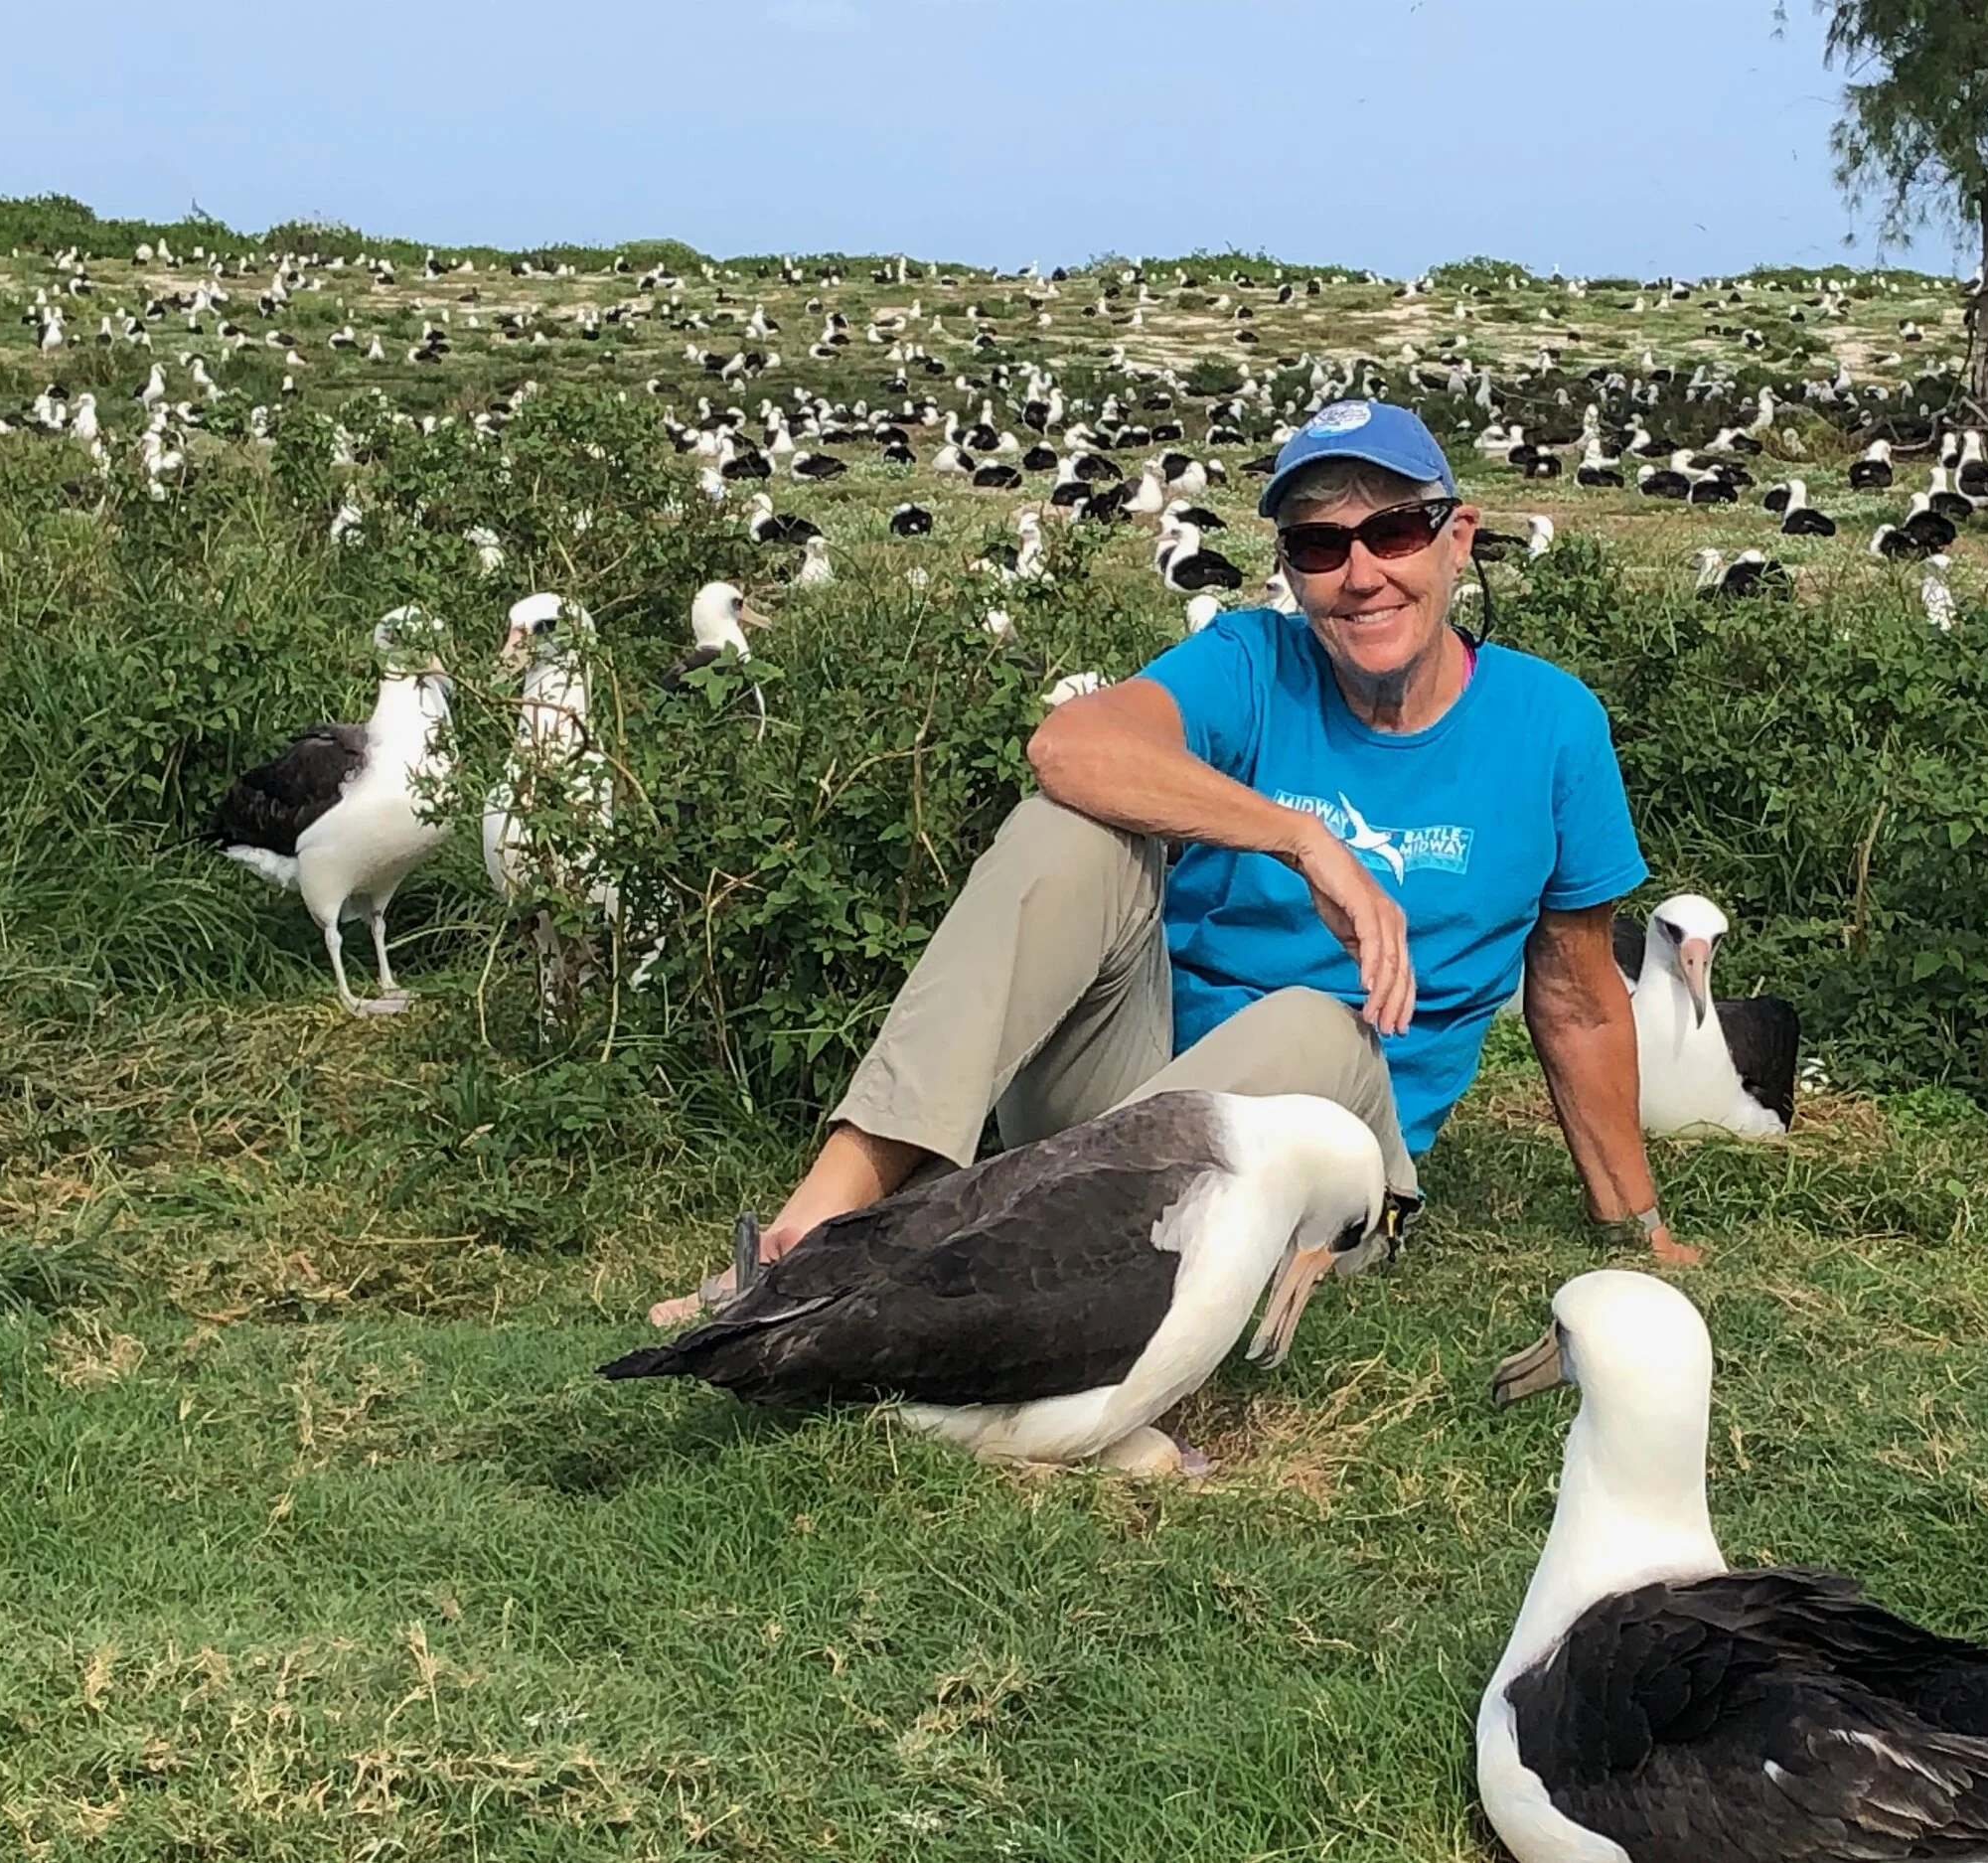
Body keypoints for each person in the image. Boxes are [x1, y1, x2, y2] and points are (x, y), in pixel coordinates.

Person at [648, 399, 1678, 1327]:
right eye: (1319, 545)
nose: (1360, 573)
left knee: (1318, 1026)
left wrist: (1635, 1229)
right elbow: (1067, 745)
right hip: (1119, 1097)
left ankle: (934, 1240)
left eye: (1393, 531)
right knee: (1070, 828)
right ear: (1287, 568)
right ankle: (812, 1230)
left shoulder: (1551, 725)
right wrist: (1300, 838)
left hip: (1321, 1159)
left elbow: (1578, 1001)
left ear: (1457, 539)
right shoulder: (1249, 661)